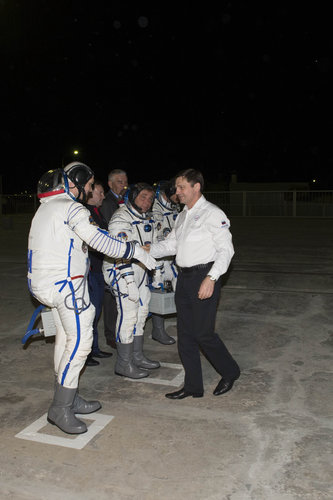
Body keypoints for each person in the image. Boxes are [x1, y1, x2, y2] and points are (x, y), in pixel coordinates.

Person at [27, 163, 155, 434]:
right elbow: (100, 241)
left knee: (65, 342)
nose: (89, 189)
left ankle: (69, 397)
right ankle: (60, 408)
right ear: (75, 183)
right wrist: (136, 251)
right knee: (80, 343)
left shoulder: (45, 208)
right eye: (88, 184)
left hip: (47, 284)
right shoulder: (71, 207)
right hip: (66, 286)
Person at [145, 169, 240, 399]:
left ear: (196, 187)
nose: (177, 192)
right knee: (186, 334)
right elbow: (171, 246)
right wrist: (145, 250)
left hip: (204, 276)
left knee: (203, 333)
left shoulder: (212, 213)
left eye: (181, 187)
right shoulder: (183, 215)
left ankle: (230, 371)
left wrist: (212, 277)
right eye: (177, 188)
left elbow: (226, 250)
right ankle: (193, 386)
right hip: (184, 278)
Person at [103, 182, 161, 379]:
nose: (147, 202)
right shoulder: (120, 219)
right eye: (143, 197)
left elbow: (151, 247)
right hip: (121, 271)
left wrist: (157, 270)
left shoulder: (147, 218)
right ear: (132, 196)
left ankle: (137, 356)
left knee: (141, 313)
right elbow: (121, 251)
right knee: (128, 316)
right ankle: (123, 363)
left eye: (150, 198)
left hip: (140, 271)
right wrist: (128, 281)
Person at [85, 180, 113, 366]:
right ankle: (86, 353)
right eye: (100, 192)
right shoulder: (84, 212)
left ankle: (94, 348)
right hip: (90, 271)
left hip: (98, 269)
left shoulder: (97, 211)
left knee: (96, 312)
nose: (103, 196)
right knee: (90, 314)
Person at [100, 168, 128, 349]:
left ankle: (118, 330)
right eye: (120, 182)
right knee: (110, 297)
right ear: (110, 184)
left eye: (125, 181)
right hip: (109, 255)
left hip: (122, 252)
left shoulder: (122, 200)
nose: (124, 185)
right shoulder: (107, 202)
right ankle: (111, 334)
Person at [150, 179, 180, 345]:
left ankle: (179, 323)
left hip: (173, 256)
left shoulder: (175, 206)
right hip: (159, 257)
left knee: (177, 289)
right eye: (176, 192)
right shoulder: (155, 208)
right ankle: (158, 330)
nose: (179, 195)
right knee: (159, 291)